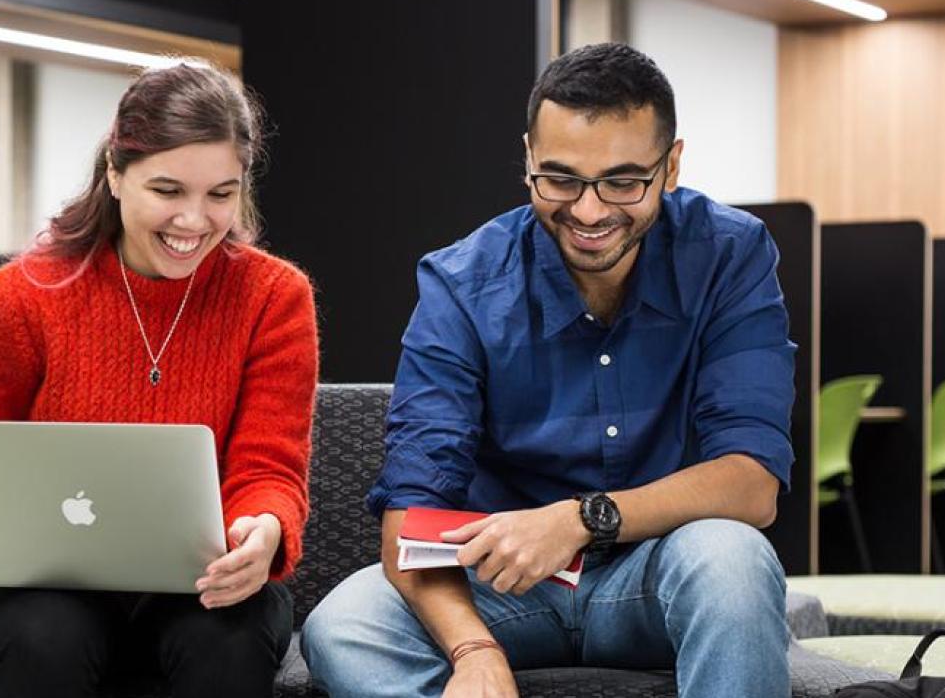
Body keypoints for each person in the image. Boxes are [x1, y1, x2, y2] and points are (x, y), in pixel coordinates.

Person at [301, 42, 795, 698]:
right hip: (503, 588)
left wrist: (577, 520)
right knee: (344, 624)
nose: (589, 212)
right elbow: (411, 512)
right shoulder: (462, 283)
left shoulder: (730, 255)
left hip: (658, 577)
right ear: (529, 157)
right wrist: (473, 649)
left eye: (623, 181)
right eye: (560, 178)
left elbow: (751, 485)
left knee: (733, 561)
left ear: (671, 166)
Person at [0, 60, 318, 698]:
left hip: (206, 583)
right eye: (168, 191)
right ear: (115, 175)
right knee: (46, 639)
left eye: (220, 195)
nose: (194, 221)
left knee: (228, 640)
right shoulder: (23, 294)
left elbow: (270, 466)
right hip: (49, 588)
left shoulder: (273, 296)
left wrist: (265, 526)